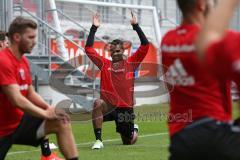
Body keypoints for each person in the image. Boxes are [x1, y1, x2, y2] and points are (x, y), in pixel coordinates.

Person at [161, 0, 234, 159]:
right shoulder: (214, 41)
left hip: (180, 135)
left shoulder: (167, 40)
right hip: (214, 131)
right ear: (201, 5)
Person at [0, 16, 79, 160]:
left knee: (61, 121)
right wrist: (45, 114)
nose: (34, 42)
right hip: (2, 130)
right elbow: (17, 100)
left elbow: (29, 92)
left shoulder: (23, 60)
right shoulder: (3, 61)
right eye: (30, 37)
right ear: (17, 37)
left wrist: (47, 108)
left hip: (17, 124)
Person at [85, 12, 149, 149]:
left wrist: (136, 26)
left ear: (124, 51)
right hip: (109, 106)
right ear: (110, 53)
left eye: (118, 51)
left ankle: (134, 130)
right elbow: (88, 49)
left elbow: (145, 45)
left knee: (128, 142)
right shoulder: (104, 64)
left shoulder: (132, 63)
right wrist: (94, 28)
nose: (116, 53)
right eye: (113, 52)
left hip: (125, 108)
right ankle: (98, 140)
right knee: (97, 103)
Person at [0, 29, 60, 160]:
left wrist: (45, 109)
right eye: (5, 42)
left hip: (13, 113)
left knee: (39, 115)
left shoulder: (15, 61)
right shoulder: (4, 61)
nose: (7, 45)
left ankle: (47, 155)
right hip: (6, 116)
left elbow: (26, 92)